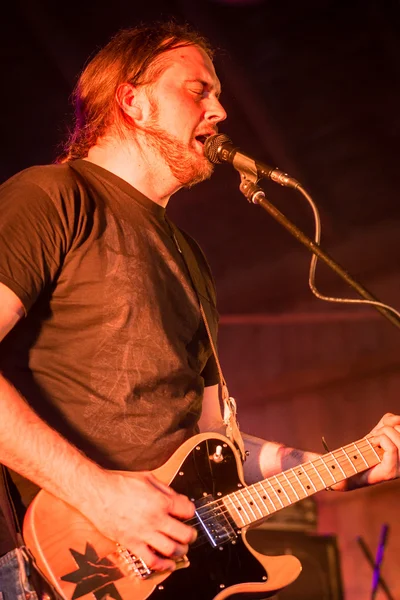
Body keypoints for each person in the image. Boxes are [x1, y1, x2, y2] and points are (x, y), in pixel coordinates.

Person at [0, 21, 399, 599]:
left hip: (172, 572)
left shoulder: (190, 260)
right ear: (133, 101)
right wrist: (98, 495)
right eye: (199, 90)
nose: (220, 110)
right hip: (53, 564)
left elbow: (218, 443)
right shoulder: (51, 198)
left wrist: (340, 466)